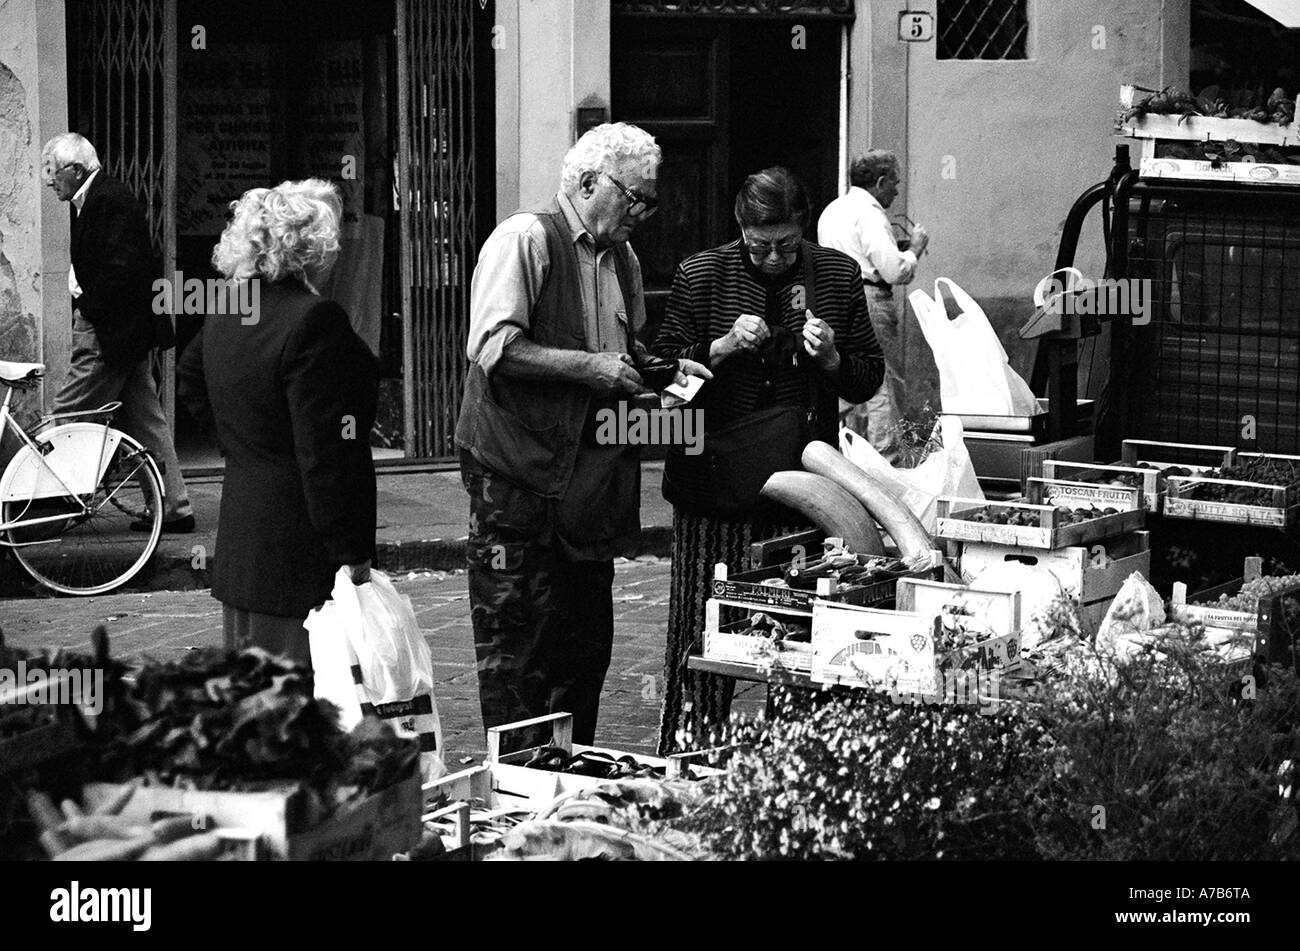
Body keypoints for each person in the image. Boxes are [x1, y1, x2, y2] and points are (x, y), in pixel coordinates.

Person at [455, 122, 710, 750]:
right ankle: (518, 798)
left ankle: (571, 780)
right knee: (518, 652)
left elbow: (625, 349)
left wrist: (663, 370)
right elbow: (492, 347)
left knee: (584, 650)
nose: (644, 214)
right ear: (591, 181)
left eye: (649, 200)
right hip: (516, 480)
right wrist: (591, 368)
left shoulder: (622, 257)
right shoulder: (525, 239)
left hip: (588, 491)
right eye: (636, 197)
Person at [654, 167, 885, 753]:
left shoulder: (836, 274)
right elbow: (662, 371)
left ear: (802, 227)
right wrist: (722, 348)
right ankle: (690, 751)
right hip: (716, 481)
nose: (775, 258)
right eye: (760, 247)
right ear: (741, 231)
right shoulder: (701, 274)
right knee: (700, 626)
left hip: (804, 484)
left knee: (804, 631)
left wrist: (832, 358)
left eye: (785, 244)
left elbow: (867, 376)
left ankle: (795, 763)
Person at [204, 179, 377, 665]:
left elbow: (192, 378)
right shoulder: (314, 320)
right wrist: (353, 552)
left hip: (243, 545)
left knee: (256, 713)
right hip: (298, 556)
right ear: (314, 247)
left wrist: (243, 442)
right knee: (300, 713)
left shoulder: (228, 307)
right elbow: (326, 453)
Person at [40, 133, 194, 531]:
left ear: (75, 170)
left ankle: (45, 508)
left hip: (109, 333)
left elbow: (123, 269)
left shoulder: (108, 200)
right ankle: (175, 508)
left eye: (53, 171)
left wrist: (87, 305)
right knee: (146, 420)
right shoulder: (95, 198)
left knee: (66, 417)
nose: (48, 179)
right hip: (123, 331)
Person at [817, 150, 929, 462]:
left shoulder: (833, 210)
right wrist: (915, 249)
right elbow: (895, 271)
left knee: (845, 376)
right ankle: (886, 462)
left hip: (834, 300)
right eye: (894, 182)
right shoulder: (870, 214)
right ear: (879, 182)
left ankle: (844, 456)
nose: (896, 189)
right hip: (868, 299)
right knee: (882, 383)